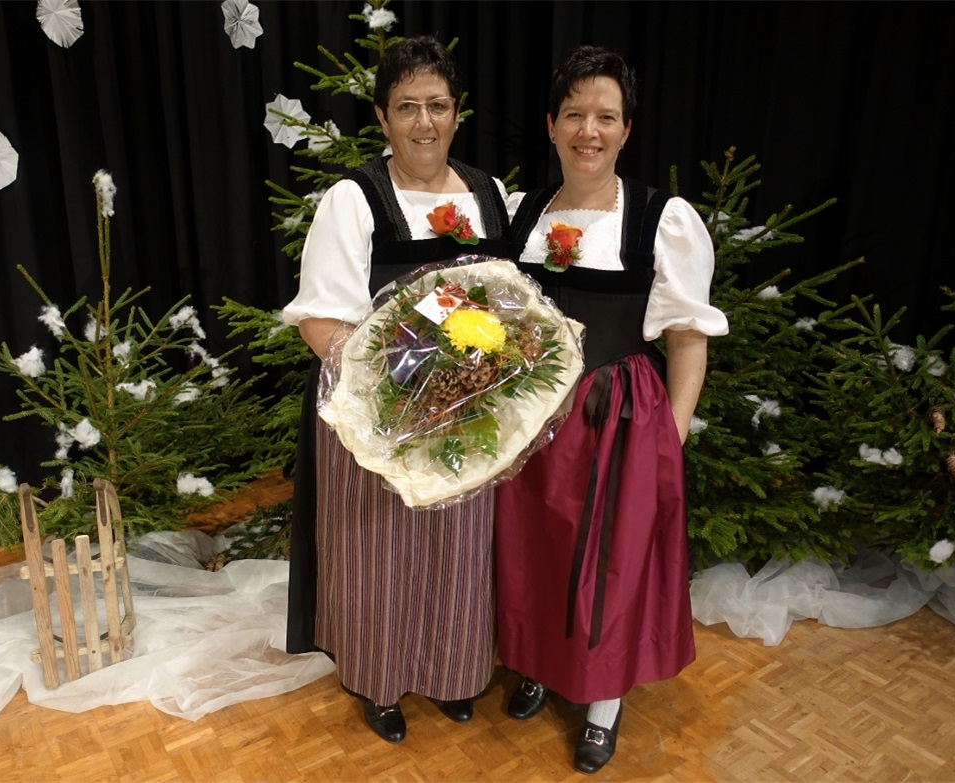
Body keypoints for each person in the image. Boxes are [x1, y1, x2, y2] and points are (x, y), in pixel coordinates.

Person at [495, 45, 729, 774]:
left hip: (618, 414)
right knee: (534, 547)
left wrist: (672, 434)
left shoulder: (664, 219)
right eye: (574, 115)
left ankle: (602, 703)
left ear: (627, 128)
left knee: (610, 562)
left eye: (605, 116)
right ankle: (537, 663)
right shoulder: (523, 210)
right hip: (534, 410)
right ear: (551, 124)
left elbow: (688, 339)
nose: (587, 131)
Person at [281, 35, 517, 744]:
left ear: (456, 114)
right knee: (379, 554)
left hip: (470, 408)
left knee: (458, 547)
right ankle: (380, 679)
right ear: (382, 118)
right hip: (377, 410)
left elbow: (510, 304)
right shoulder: (351, 201)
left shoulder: (488, 193)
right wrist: (393, 390)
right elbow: (320, 320)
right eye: (407, 106)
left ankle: (450, 672)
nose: (424, 122)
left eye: (437, 106)